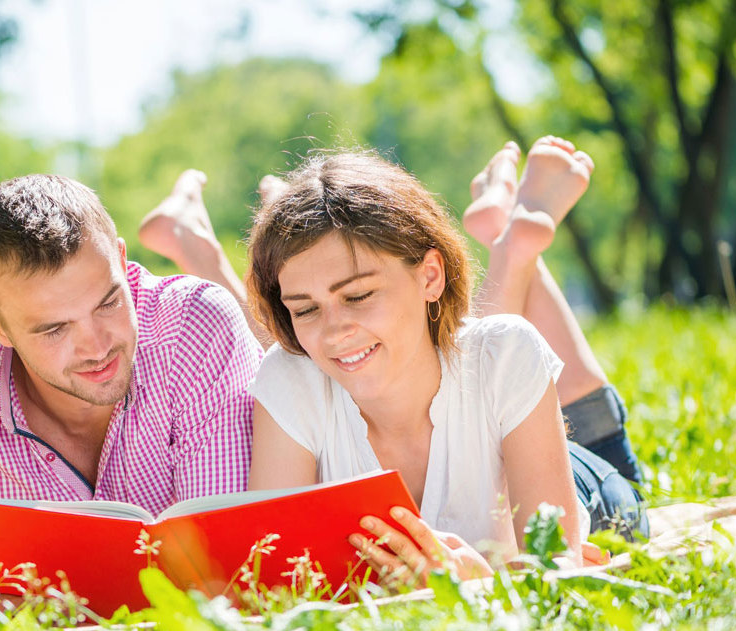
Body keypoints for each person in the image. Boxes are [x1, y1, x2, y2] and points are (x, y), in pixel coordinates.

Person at [0, 175, 262, 628]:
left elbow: (228, 586)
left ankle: (197, 246)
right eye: (54, 329)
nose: (96, 346)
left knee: (292, 358)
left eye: (108, 303)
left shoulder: (195, 328)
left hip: (279, 364)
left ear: (123, 262)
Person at [240, 139, 646, 583]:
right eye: (305, 309)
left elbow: (556, 568)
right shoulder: (290, 379)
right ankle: (510, 236)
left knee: (590, 422)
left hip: (588, 488)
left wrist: (480, 579)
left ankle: (514, 243)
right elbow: (273, 579)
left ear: (430, 275)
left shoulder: (508, 352)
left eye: (357, 295)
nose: (334, 331)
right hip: (497, 415)